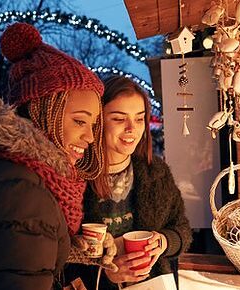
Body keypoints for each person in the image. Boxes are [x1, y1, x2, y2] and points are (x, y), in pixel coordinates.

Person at [0, 22, 106, 290]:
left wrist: (72, 250)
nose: (91, 137)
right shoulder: (22, 190)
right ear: (42, 113)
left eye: (93, 125)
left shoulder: (25, 174)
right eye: (80, 121)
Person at [64, 75, 192, 289]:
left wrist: (163, 242)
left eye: (140, 118)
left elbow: (182, 229)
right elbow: (59, 256)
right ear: (98, 121)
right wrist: (107, 274)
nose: (132, 128)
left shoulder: (155, 172)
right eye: (119, 118)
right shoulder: (74, 177)